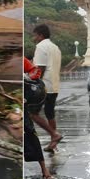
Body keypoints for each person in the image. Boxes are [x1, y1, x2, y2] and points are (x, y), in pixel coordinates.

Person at [30, 24, 63, 152]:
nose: (34, 38)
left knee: (32, 113)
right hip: (54, 85)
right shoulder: (56, 48)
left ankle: (54, 135)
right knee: (50, 114)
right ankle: (53, 144)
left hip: (44, 86)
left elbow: (40, 68)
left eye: (35, 35)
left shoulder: (41, 46)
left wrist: (34, 83)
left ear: (40, 35)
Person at [24, 57, 55, 179]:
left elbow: (35, 71)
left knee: (30, 133)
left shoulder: (23, 61)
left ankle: (44, 170)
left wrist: (28, 77)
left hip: (22, 101)